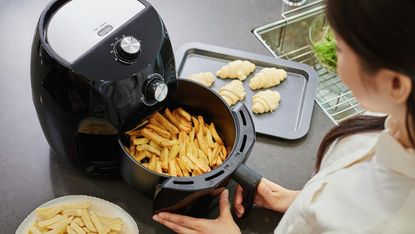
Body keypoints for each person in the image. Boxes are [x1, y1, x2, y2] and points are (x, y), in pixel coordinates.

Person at [153, 0, 415, 232]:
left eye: (342, 49)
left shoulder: (391, 220)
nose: (333, 56)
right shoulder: (391, 118)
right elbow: (358, 188)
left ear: (395, 85)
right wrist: (300, 201)